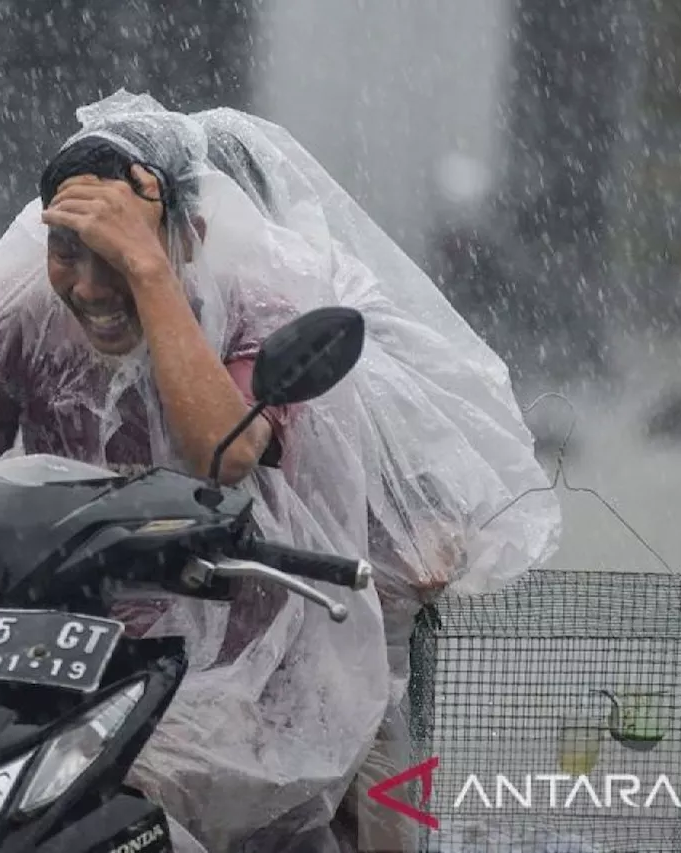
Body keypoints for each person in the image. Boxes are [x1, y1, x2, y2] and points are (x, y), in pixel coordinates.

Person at [0, 92, 559, 852]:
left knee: (372, 792)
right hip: (71, 638)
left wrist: (150, 273)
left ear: (192, 235)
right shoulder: (23, 307)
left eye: (118, 250)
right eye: (67, 248)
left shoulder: (256, 304)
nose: (90, 282)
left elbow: (226, 449)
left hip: (271, 628)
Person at [193, 107, 562, 851]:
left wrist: (429, 522)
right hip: (227, 625)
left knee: (385, 791)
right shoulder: (165, 313)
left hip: (349, 610)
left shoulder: (329, 293)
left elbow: (408, 433)